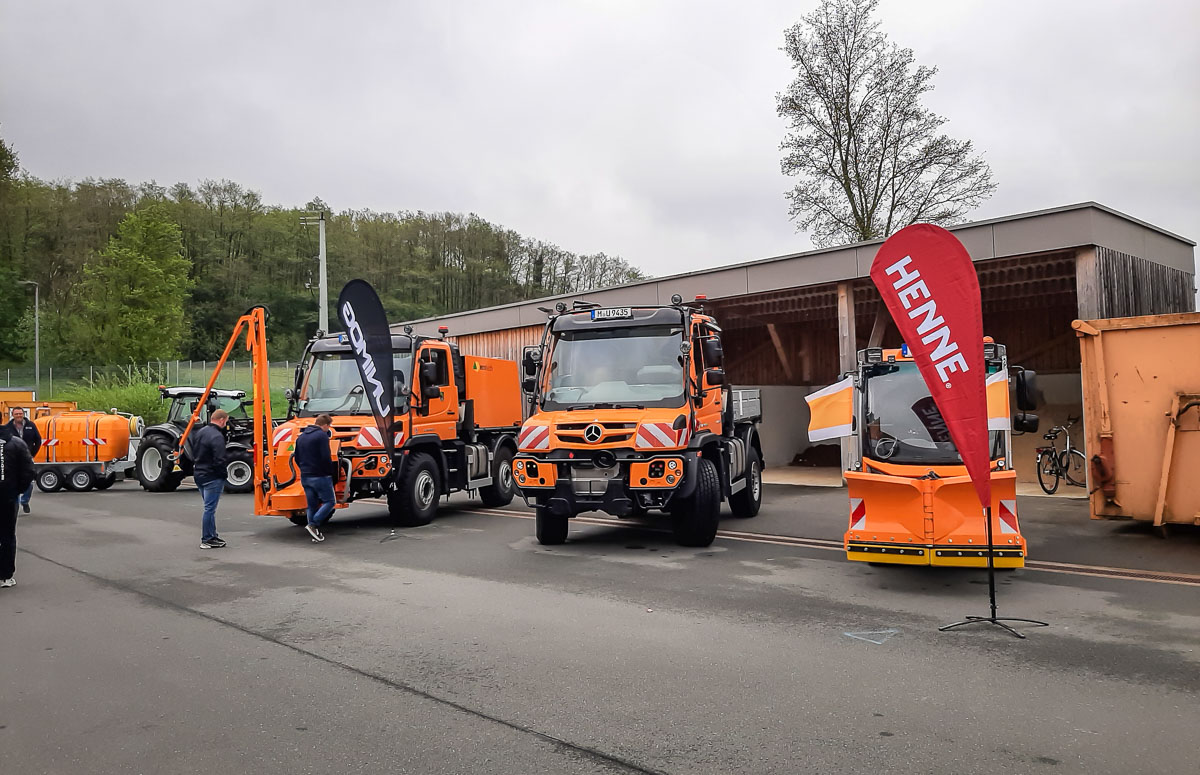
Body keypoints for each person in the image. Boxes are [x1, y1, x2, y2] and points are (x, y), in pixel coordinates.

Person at [0, 424, 35, 588]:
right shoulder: (16, 443)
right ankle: (6, 576)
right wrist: (17, 490)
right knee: (7, 535)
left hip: (9, 494)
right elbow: (28, 470)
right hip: (8, 496)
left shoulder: (16, 442)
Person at [294, 413, 337, 542]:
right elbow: (325, 456)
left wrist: (303, 469)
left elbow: (297, 457)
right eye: (329, 426)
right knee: (330, 502)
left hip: (306, 476)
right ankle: (313, 525)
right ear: (325, 425)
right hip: (320, 475)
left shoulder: (301, 437)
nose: (329, 428)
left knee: (312, 505)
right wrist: (330, 472)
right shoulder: (322, 436)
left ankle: (314, 533)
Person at [192, 409, 229, 550]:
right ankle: (207, 538)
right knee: (209, 509)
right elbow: (219, 459)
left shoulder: (200, 432)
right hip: (212, 476)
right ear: (221, 420)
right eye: (225, 421)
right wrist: (223, 475)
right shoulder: (217, 436)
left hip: (199, 474)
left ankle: (212, 535)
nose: (226, 424)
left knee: (209, 508)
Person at [6, 407, 41, 514]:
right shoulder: (7, 427)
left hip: (27, 458)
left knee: (29, 483)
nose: (19, 416)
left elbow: (38, 440)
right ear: (13, 415)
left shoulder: (31, 425)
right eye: (16, 414)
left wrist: (32, 454)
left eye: (20, 413)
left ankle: (25, 501)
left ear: (23, 414)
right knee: (13, 482)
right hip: (13, 460)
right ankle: (15, 504)